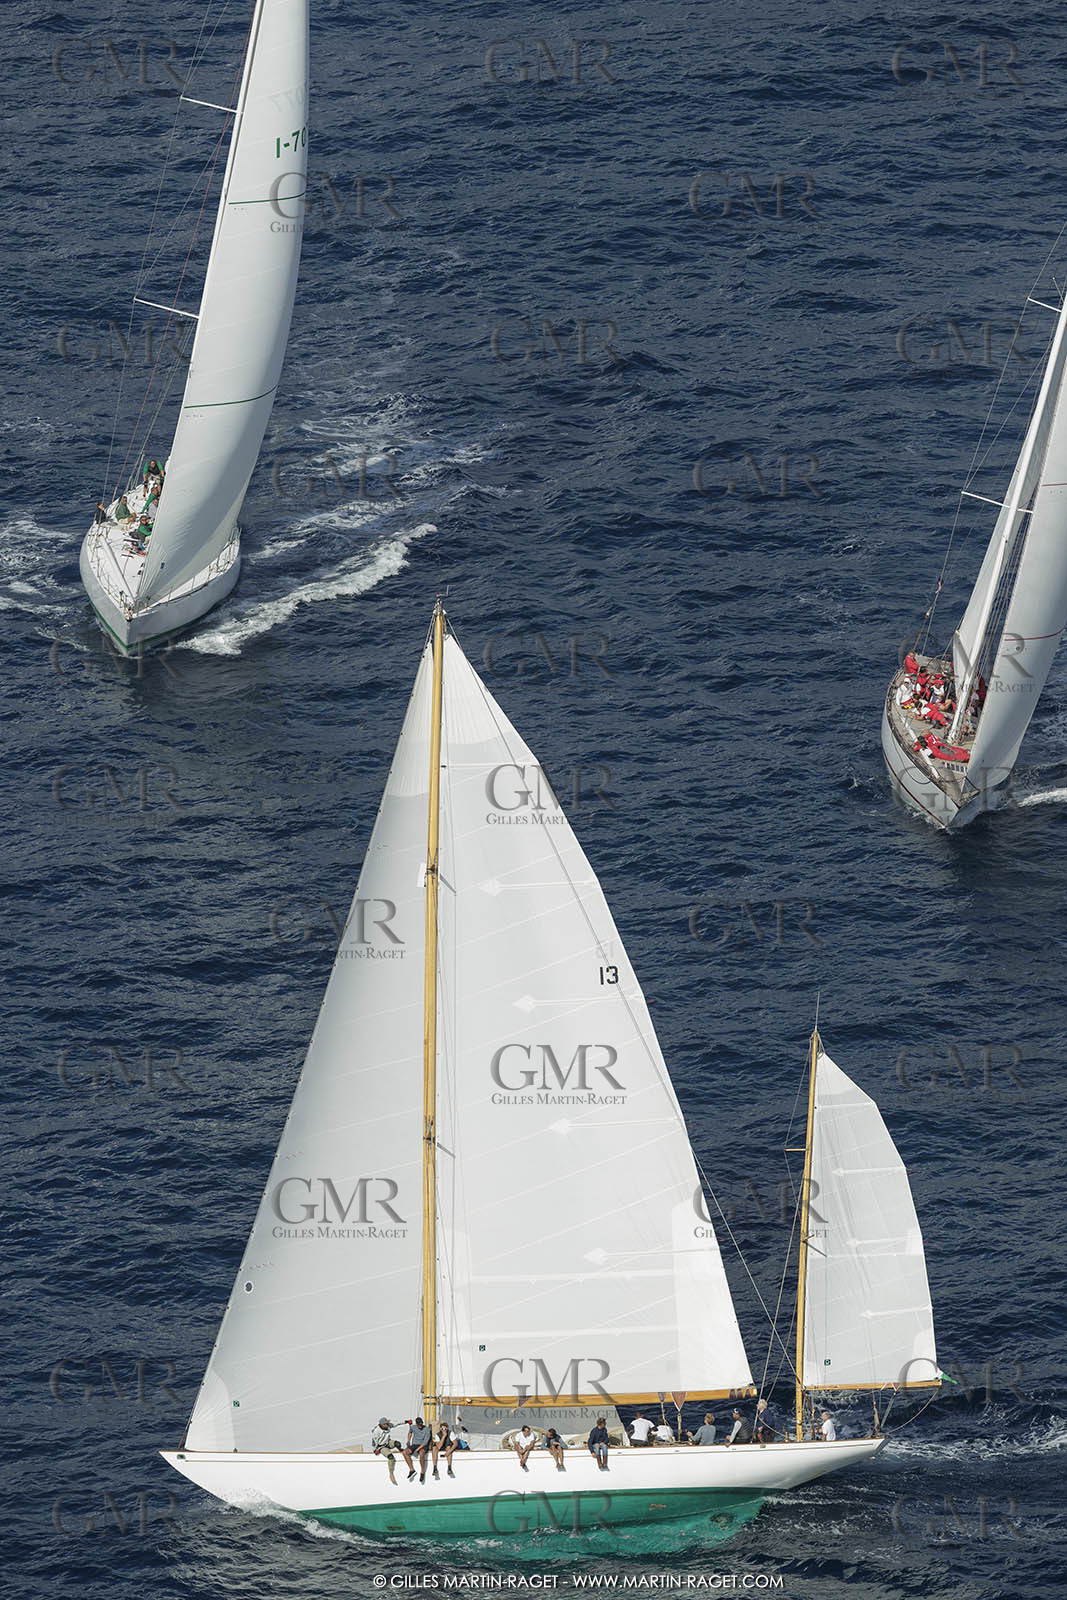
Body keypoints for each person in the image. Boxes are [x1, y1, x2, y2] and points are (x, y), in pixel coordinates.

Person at [371, 1416, 412, 1486]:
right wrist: (375, 1450)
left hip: (387, 1442)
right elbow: (374, 1442)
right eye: (385, 1424)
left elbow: (397, 1423)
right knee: (391, 1457)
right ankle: (391, 1473)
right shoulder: (377, 1431)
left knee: (397, 1444)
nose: (387, 1425)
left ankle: (401, 1451)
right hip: (381, 1446)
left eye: (387, 1424)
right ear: (382, 1424)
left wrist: (406, 1421)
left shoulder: (388, 1426)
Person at [407, 1417, 433, 1483]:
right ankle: (412, 1470)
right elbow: (410, 1432)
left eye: (421, 1424)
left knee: (421, 1453)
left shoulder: (427, 1429)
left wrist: (416, 1450)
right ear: (416, 1424)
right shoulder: (413, 1427)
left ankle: (422, 1472)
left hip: (423, 1445)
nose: (420, 1426)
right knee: (405, 1452)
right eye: (419, 1425)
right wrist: (408, 1440)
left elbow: (425, 1443)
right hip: (415, 1444)